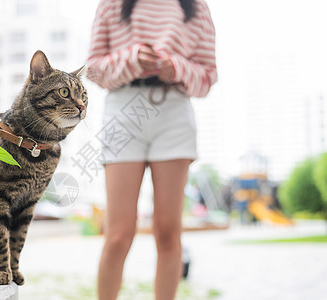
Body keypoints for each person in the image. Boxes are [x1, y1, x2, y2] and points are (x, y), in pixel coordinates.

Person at [86, 0, 217, 299]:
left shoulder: (196, 6)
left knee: (169, 233)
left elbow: (208, 77)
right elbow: (93, 70)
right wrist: (132, 59)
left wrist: (174, 67)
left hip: (174, 110)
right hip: (123, 109)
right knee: (118, 234)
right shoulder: (111, 4)